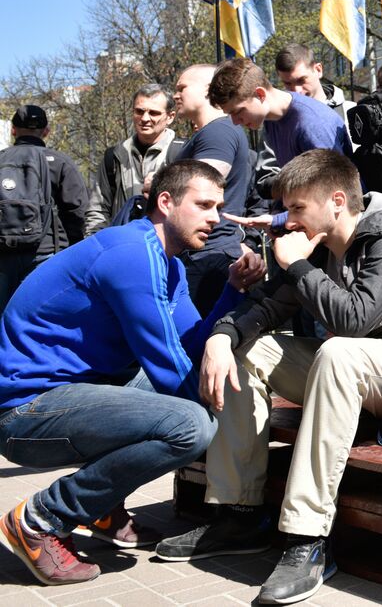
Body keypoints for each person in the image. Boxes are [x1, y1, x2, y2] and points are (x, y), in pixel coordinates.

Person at [157, 150, 382, 606]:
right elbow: (266, 307)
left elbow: (355, 320)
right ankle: (240, 515)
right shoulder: (317, 244)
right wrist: (222, 336)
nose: (288, 220)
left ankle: (307, 539)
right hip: (359, 375)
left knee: (338, 350)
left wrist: (299, 266)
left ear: (337, 201)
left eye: (297, 208)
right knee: (248, 349)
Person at [0, 160, 260, 587]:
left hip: (71, 390)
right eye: (204, 204)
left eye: (219, 206)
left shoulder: (168, 263)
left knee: (194, 402)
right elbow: (168, 368)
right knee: (191, 427)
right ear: (165, 202)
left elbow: (189, 345)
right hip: (22, 412)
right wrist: (222, 428)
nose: (216, 217)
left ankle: (102, 506)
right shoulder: (131, 256)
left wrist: (232, 290)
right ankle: (40, 519)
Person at [171, 64, 256, 314]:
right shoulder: (213, 132)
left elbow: (200, 188)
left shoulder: (218, 132)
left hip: (209, 257)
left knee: (201, 343)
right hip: (205, 254)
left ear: (206, 89)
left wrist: (157, 182)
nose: (175, 95)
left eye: (182, 88)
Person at [0, 105, 87, 304]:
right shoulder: (59, 162)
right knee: (39, 318)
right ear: (46, 131)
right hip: (46, 254)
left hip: (3, 254)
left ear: (13, 129)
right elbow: (77, 211)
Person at [208, 57, 352, 166]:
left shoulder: (311, 123)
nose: (235, 121)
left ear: (260, 95)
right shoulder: (271, 119)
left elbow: (333, 189)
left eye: (238, 111)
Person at [84, 84, 181, 236]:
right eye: (139, 111)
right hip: (122, 246)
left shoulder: (182, 153)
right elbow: (98, 208)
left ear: (170, 117)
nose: (145, 118)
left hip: (168, 249)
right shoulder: (115, 156)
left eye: (154, 113)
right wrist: (96, 245)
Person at [274, 44, 355, 132]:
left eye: (301, 80)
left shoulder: (352, 112)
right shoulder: (277, 124)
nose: (297, 90)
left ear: (318, 70)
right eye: (288, 83)